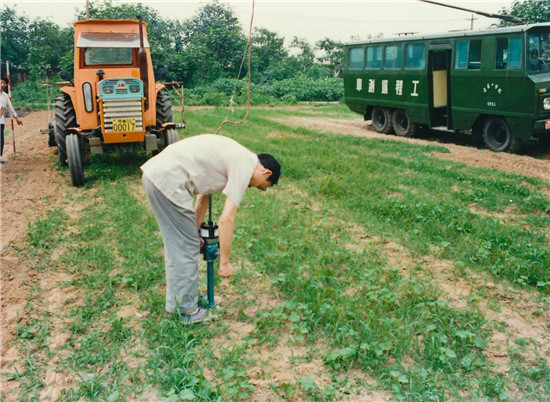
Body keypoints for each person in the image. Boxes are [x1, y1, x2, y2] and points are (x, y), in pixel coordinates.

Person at [141, 134, 281, 324]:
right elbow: (226, 219)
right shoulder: (245, 165)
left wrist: (195, 230)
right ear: (266, 174)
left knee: (183, 244)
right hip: (167, 181)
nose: (255, 187)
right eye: (262, 187)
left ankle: (182, 300)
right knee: (185, 247)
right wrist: (224, 262)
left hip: (159, 176)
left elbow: (203, 197)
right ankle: (187, 311)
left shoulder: (238, 157)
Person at [0, 76, 23, 164]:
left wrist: (16, 118)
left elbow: (10, 108)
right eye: (1, 82)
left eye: (4, 84)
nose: (2, 85)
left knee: (0, 141)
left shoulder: (5, 96)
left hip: (0, 122)